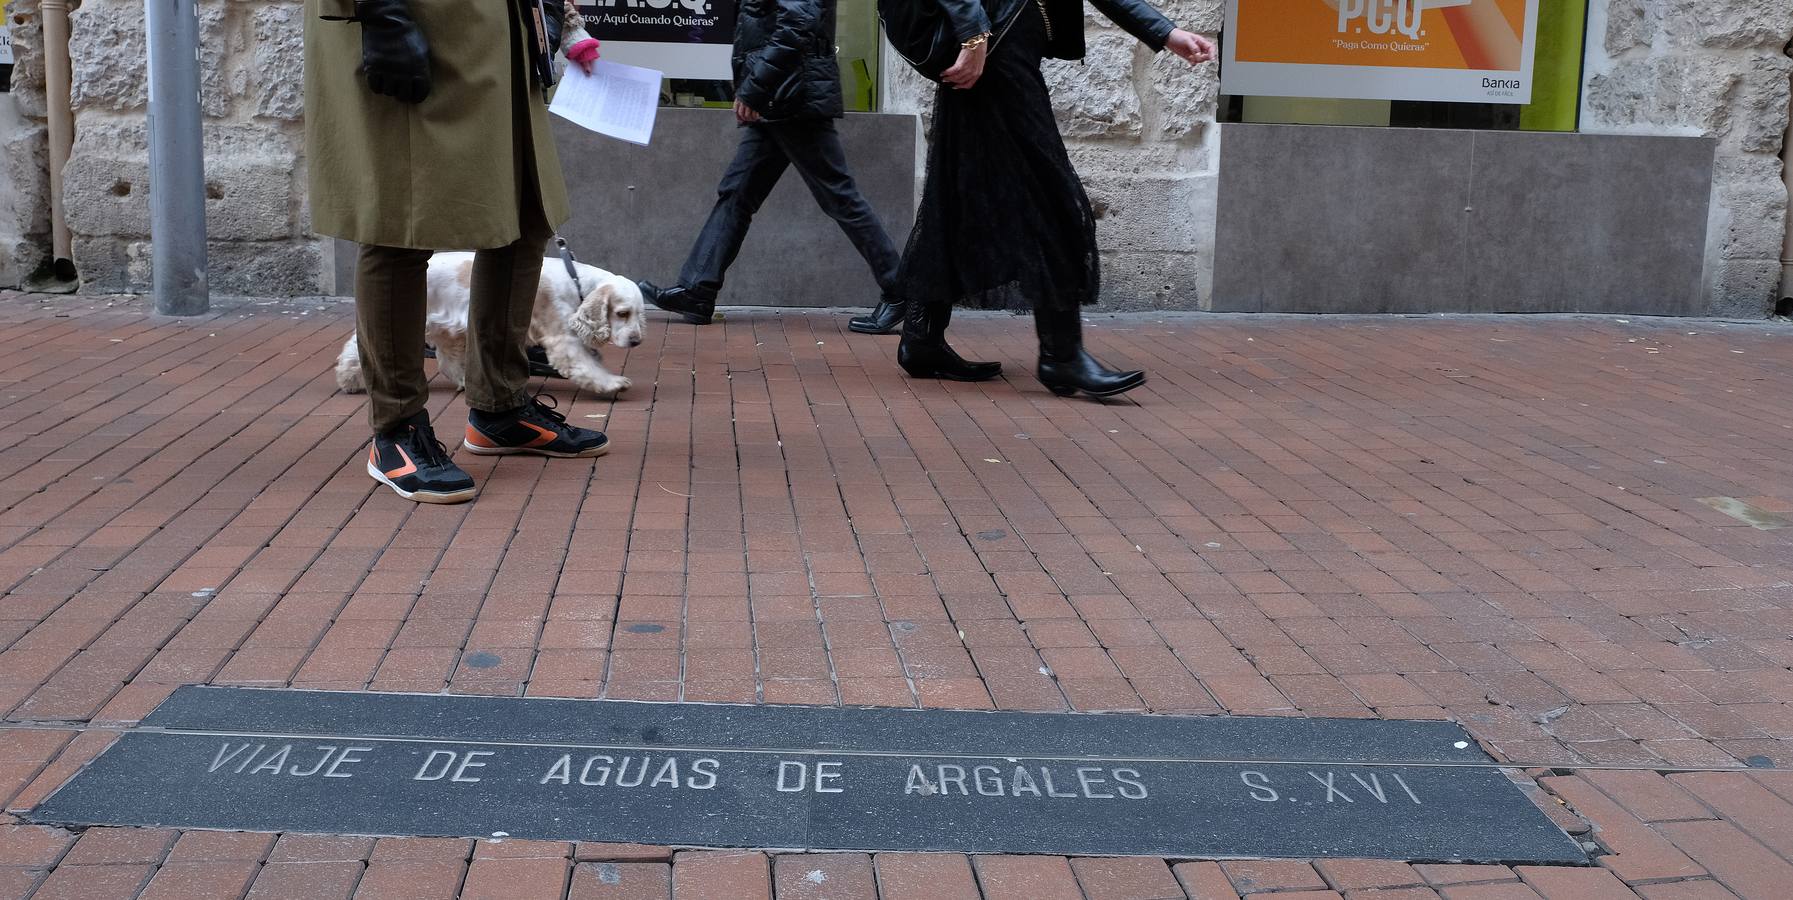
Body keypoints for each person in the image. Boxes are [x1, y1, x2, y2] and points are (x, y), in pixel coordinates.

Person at [306, 0, 610, 504]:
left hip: (499, 33)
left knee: (525, 215)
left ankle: (499, 409)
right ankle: (397, 431)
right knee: (398, 227)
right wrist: (381, 14)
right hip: (417, 21)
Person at [893, 0, 1215, 398]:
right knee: (1054, 197)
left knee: (958, 191)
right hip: (994, 45)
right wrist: (974, 34)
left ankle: (922, 337)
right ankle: (1061, 356)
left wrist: (1165, 32)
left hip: (1001, 44)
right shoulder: (983, 40)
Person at [637, 0, 910, 335]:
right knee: (737, 192)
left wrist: (754, 88)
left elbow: (798, 21)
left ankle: (900, 290)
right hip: (781, 97)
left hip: (794, 96)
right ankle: (697, 289)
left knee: (839, 196)